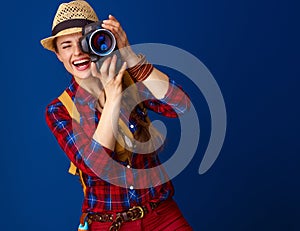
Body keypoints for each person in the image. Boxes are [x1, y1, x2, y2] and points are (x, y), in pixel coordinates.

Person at [41, 0, 193, 230]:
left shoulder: (129, 80)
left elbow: (180, 105)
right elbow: (96, 165)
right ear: (58, 55)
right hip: (110, 224)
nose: (77, 52)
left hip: (161, 214)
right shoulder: (59, 110)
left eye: (84, 41)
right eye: (66, 46)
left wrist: (130, 55)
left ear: (101, 41)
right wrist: (113, 97)